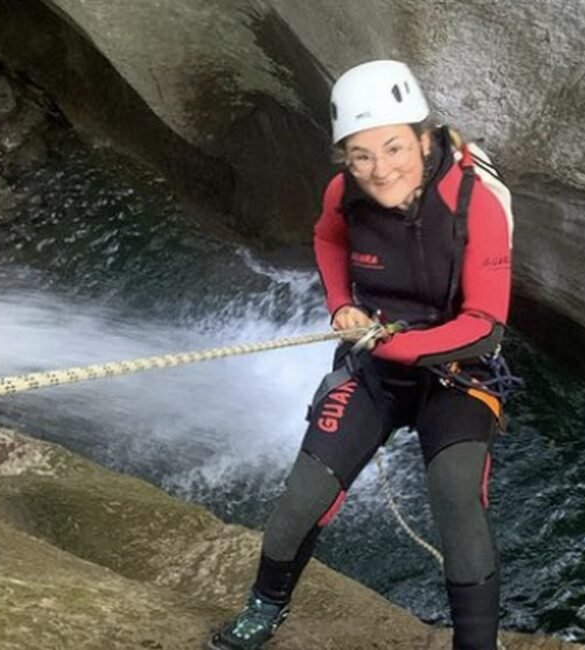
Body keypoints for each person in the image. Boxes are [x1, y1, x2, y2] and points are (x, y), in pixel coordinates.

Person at [210, 59, 513, 650]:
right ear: (345, 159)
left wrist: (395, 343)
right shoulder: (343, 192)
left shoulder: (474, 202)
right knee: (302, 497)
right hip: (373, 367)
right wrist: (340, 305)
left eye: (394, 148)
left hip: (456, 371)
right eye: (361, 156)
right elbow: (328, 237)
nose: (380, 170)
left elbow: (484, 326)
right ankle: (263, 609)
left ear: (424, 140)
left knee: (455, 491)